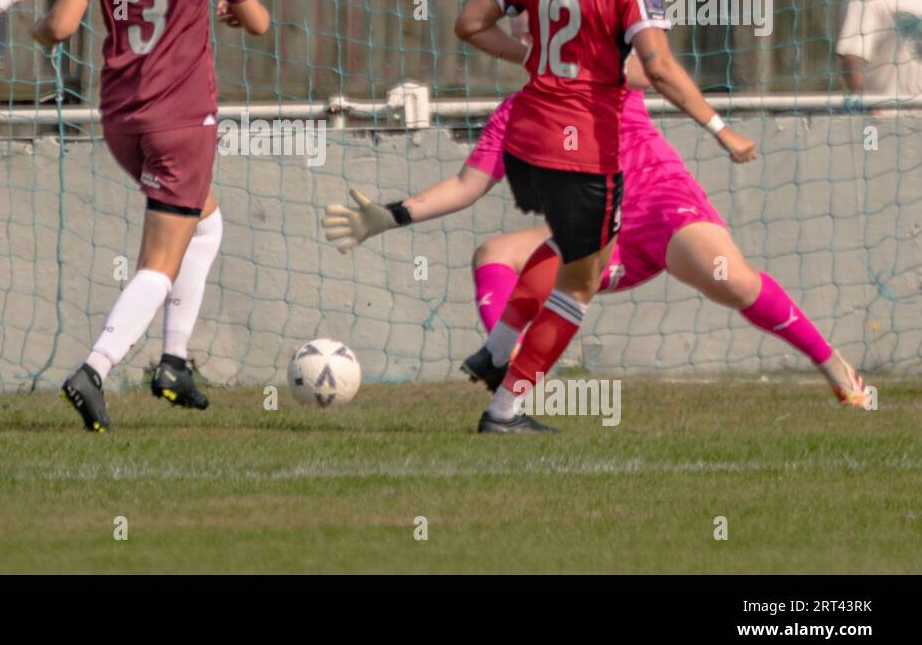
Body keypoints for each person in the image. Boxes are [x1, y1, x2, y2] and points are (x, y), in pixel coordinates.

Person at [325, 0, 755, 433]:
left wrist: (527, 57)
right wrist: (719, 127)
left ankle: (495, 349)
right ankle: (505, 408)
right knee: (578, 285)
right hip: (584, 152)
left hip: (530, 144)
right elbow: (657, 66)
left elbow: (469, 22)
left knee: (558, 252)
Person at [321, 54, 869, 412]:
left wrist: (716, 125)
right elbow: (466, 186)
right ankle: (504, 365)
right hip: (601, 233)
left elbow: (652, 66)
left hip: (663, 206)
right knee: (493, 252)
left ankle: (836, 369)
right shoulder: (514, 111)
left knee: (734, 282)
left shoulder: (605, 65)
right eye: (521, 22)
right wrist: (390, 215)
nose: (526, 30)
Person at [33, 0, 270, 431]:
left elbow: (61, 26)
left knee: (206, 224)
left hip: (121, 117)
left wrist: (37, 28)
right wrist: (231, 11)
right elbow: (261, 21)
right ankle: (95, 369)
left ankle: (173, 361)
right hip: (182, 119)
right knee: (159, 262)